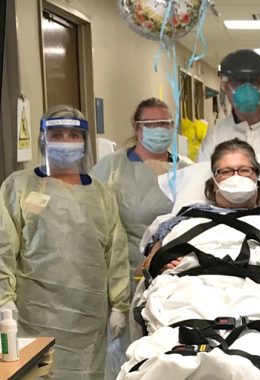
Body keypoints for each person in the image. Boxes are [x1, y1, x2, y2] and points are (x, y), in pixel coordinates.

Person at [0, 105, 130, 379]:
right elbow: (3, 248)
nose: (66, 141)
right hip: (34, 314)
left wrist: (120, 304)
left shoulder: (100, 195)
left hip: (87, 317)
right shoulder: (19, 186)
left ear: (84, 141)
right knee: (36, 370)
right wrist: (4, 299)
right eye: (57, 134)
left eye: (73, 135)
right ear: (43, 139)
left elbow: (115, 253)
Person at [90, 97, 193, 378]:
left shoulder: (186, 169)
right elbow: (96, 224)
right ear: (137, 128)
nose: (160, 129)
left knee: (170, 356)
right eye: (152, 124)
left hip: (175, 276)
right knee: (125, 355)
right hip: (122, 279)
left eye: (166, 123)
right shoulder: (111, 169)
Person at [144, 138, 260, 288]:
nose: (236, 176)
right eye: (225, 171)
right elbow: (143, 270)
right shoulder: (184, 218)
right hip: (189, 294)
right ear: (213, 182)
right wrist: (159, 264)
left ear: (256, 177)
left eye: (244, 170)